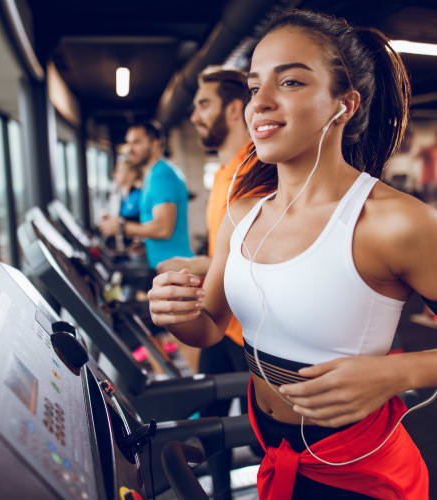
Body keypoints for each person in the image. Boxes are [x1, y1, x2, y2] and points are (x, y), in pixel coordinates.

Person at [148, 9, 437, 499]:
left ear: (343, 105)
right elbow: (211, 326)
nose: (259, 102)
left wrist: (397, 372)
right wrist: (176, 313)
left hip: (361, 472)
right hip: (275, 450)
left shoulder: (393, 222)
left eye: (291, 82)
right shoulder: (242, 213)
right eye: (254, 85)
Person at [157, 66, 261, 500]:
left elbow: (259, 253)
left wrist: (193, 263)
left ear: (233, 109)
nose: (195, 115)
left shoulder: (258, 170)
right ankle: (219, 492)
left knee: (261, 437)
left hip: (252, 333)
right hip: (221, 322)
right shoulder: (222, 174)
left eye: (204, 105)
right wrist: (194, 263)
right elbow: (229, 254)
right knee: (209, 422)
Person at [100, 122, 193, 268]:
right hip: (164, 265)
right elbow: (156, 224)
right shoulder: (152, 175)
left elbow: (163, 229)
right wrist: (147, 243)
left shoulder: (161, 174)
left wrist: (120, 227)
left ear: (155, 144)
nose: (130, 149)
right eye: (128, 143)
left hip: (175, 269)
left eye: (136, 142)